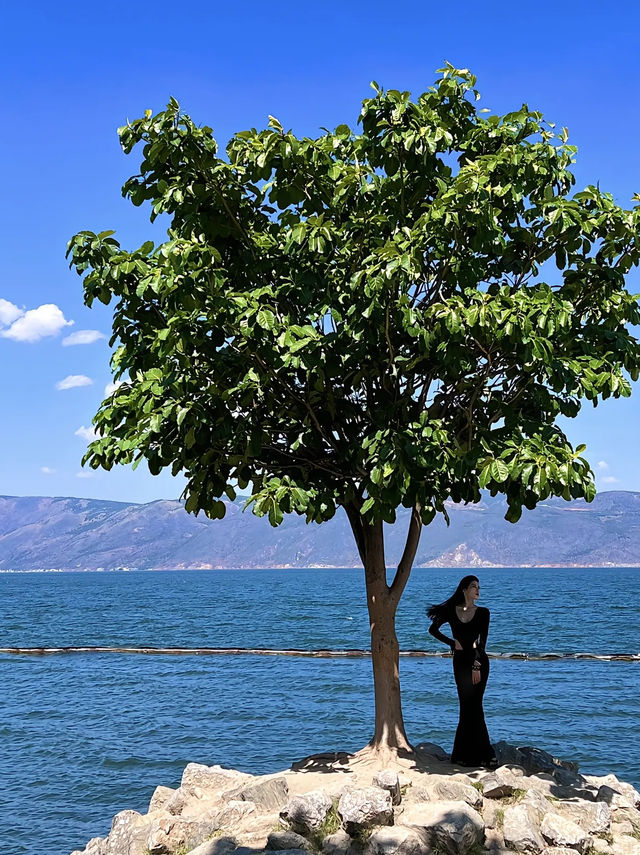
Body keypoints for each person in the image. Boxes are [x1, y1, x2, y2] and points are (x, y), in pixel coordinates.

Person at [427, 575, 496, 767]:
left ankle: (485, 754)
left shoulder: (483, 613)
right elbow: (432, 630)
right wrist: (452, 643)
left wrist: (476, 665)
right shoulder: (451, 611)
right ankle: (462, 755)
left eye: (478, 587)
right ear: (464, 589)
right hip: (460, 663)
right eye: (473, 586)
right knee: (466, 707)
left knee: (476, 706)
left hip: (478, 662)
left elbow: (482, 643)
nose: (477, 590)